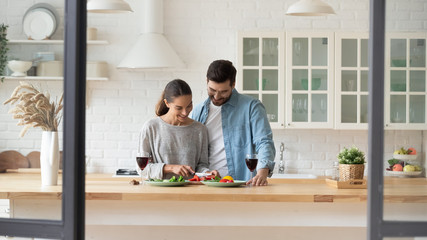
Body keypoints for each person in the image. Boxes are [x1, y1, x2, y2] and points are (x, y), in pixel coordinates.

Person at [191, 60, 276, 186]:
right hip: (207, 185)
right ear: (206, 81)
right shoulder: (198, 111)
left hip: (240, 183)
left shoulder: (251, 107)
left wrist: (262, 172)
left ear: (233, 85)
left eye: (223, 91)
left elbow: (264, 142)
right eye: (212, 90)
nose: (217, 96)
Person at [138, 79, 218, 180]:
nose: (185, 112)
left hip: (190, 192)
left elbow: (201, 166)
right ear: (167, 103)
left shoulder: (200, 130)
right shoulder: (151, 127)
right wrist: (170, 168)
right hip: (159, 192)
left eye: (189, 105)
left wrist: (207, 173)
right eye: (179, 108)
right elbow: (141, 169)